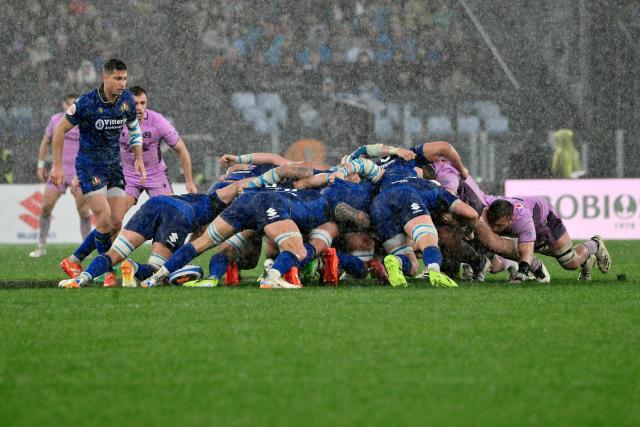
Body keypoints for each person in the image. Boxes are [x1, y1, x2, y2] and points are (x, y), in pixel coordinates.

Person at [52, 58, 146, 287]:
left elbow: (134, 130)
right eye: (117, 78)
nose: (122, 83)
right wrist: (56, 166)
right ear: (105, 77)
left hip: (114, 167)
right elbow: (59, 130)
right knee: (103, 219)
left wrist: (139, 158)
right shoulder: (86, 103)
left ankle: (73, 259)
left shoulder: (126, 101)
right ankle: (107, 272)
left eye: (124, 78)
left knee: (115, 223)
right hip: (89, 166)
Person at [58, 182, 243, 288]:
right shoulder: (218, 206)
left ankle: (81, 279)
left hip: (155, 203)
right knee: (157, 268)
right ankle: (135, 268)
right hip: (178, 215)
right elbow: (193, 246)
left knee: (113, 254)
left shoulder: (203, 197)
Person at [484, 196, 611, 281]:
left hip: (546, 221)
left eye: (499, 225)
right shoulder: (489, 202)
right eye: (492, 224)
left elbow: (527, 251)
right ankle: (586, 261)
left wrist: (520, 276)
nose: (494, 229)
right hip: (531, 215)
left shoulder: (523, 221)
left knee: (570, 261)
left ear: (511, 219)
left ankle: (595, 244)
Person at [29, 93, 92, 258]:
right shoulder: (56, 120)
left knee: (84, 211)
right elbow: (45, 142)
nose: (73, 107)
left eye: (76, 104)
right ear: (64, 105)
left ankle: (87, 247)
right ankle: (41, 245)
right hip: (58, 171)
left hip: (79, 172)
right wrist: (41, 165)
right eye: (70, 104)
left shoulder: (86, 121)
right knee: (45, 206)